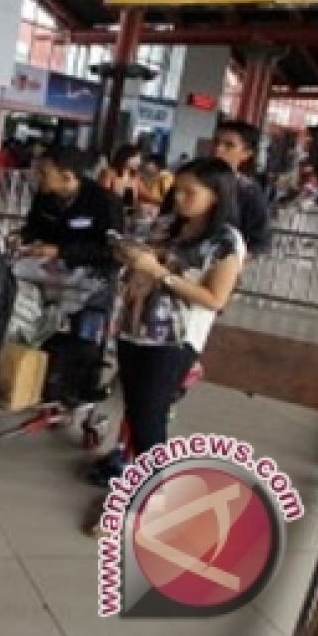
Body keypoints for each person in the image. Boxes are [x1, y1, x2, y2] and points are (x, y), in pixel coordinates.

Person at [110, 157, 246, 468]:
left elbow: (214, 299)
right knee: (134, 411)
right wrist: (130, 255)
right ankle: (136, 483)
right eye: (178, 190)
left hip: (174, 339)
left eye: (190, 192)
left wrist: (160, 273)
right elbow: (145, 261)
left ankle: (151, 496)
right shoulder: (166, 224)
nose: (180, 198)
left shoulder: (226, 241)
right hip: (134, 326)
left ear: (216, 195)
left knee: (149, 421)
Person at [161, 120, 271, 256]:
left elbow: (260, 242)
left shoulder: (249, 192)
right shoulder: (189, 177)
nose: (218, 149)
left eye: (229, 145)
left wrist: (223, 263)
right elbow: (165, 214)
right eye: (215, 142)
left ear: (247, 153)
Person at [17, 145, 124, 269]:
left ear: (66, 177)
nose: (37, 177)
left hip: (92, 274)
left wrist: (60, 251)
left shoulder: (105, 202)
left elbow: (111, 249)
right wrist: (21, 236)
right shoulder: (44, 195)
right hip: (49, 268)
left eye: (43, 173)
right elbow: (35, 227)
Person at [97, 144, 142, 212]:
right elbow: (103, 197)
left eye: (139, 159)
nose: (139, 162)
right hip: (110, 213)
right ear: (124, 157)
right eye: (136, 158)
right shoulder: (109, 173)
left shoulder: (135, 176)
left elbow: (143, 194)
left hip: (128, 213)